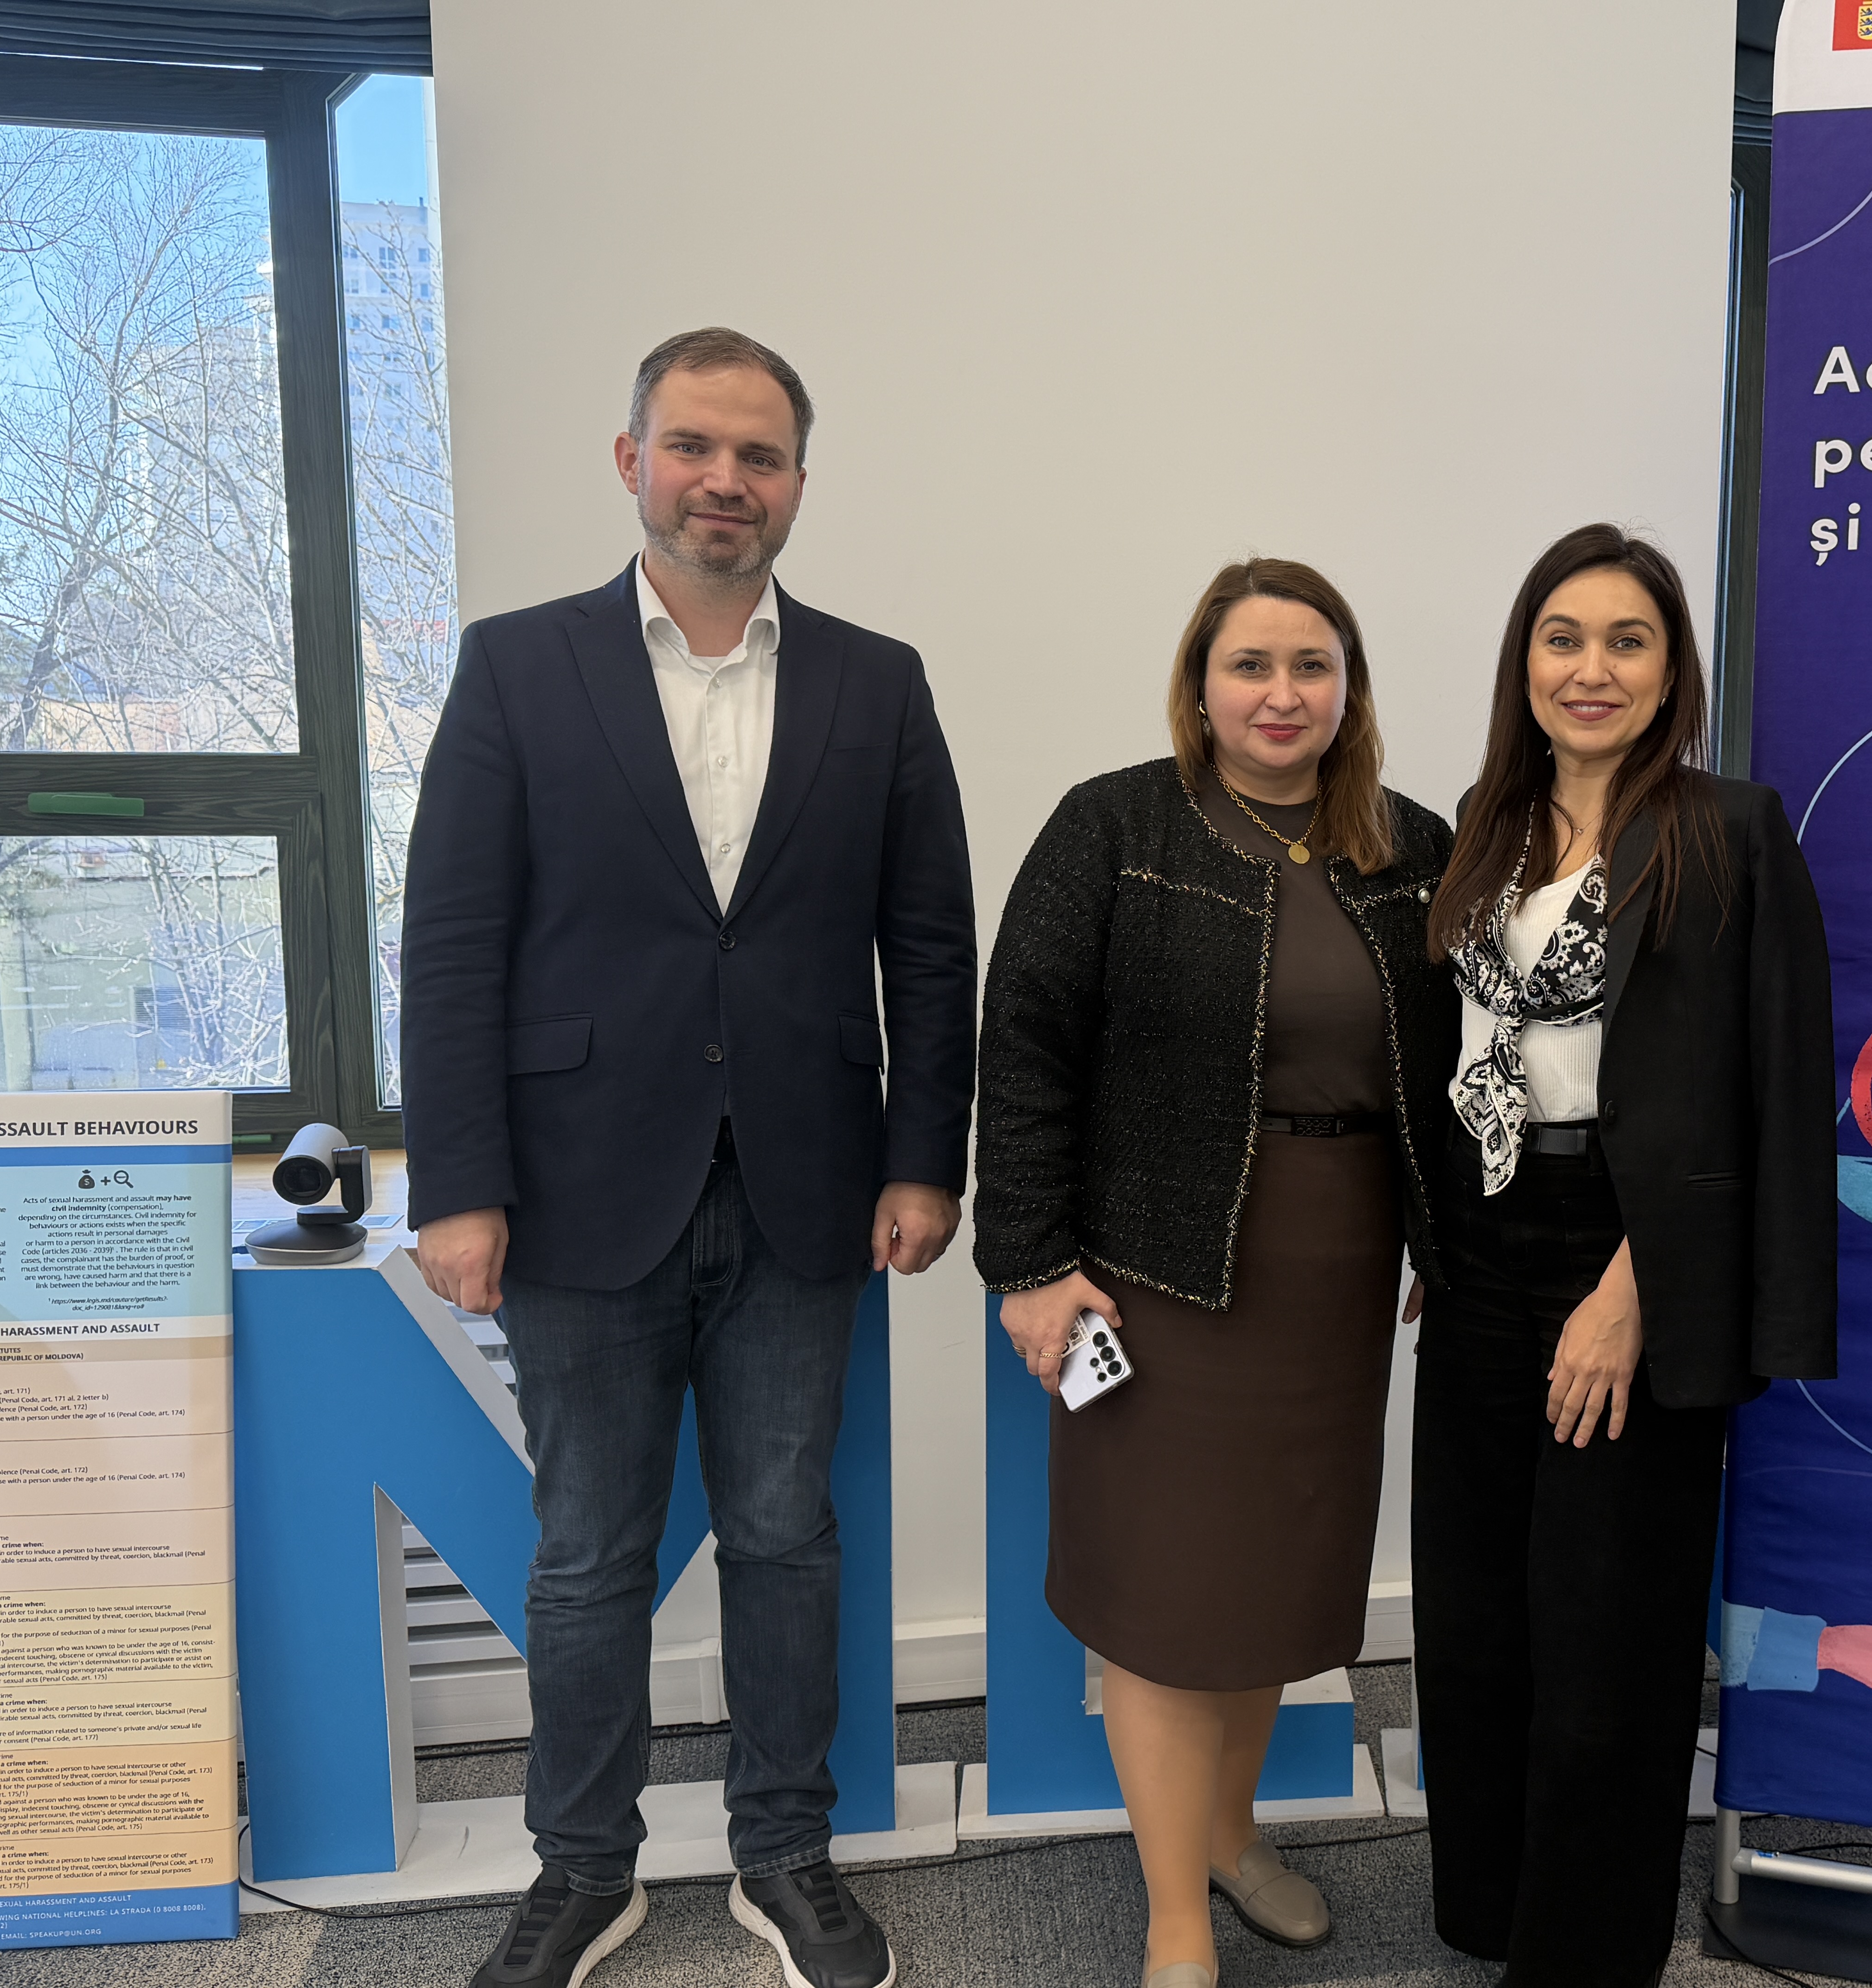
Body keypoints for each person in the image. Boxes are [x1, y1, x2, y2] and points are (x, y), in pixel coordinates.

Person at [401, 327, 975, 1988]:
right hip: (578, 1188)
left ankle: (784, 1851)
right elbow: (453, 942)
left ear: (798, 481)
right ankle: (584, 1868)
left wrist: (925, 1159)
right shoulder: (519, 666)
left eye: (761, 456)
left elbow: (931, 946)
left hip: (809, 1186)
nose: (727, 480)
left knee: (787, 1534)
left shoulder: (879, 680)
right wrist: (458, 1184)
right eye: (695, 447)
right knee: (589, 1553)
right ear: (632, 460)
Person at [974, 558, 1456, 1988]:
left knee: (1271, 1589)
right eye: (1251, 664)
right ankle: (1175, 1915)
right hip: (1158, 1279)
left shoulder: (1413, 846)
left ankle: (1234, 1835)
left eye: (1313, 665)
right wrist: (1030, 1262)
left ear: (1349, 688)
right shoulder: (1113, 826)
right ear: (1200, 684)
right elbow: (1027, 1044)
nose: (1281, 693)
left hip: (1338, 1274)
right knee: (1169, 1598)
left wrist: (1447, 1237)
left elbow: (1461, 1062)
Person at [1410, 523, 1838, 1987]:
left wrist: (1633, 1288)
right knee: (1476, 1621)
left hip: (1628, 1255)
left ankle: (1584, 1958)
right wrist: (1437, 1230)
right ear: (1524, 662)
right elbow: (1457, 1042)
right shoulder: (1483, 825)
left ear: (1671, 672)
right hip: (1480, 1248)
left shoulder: (1729, 830)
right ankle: (1494, 1913)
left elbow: (1756, 1087)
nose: (1591, 668)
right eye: (1563, 637)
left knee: (1609, 1644)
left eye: (1627, 640)